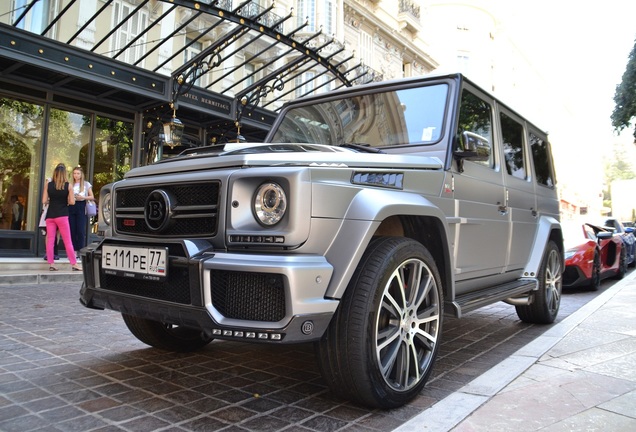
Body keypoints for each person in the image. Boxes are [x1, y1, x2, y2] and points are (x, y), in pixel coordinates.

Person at [42, 163, 81, 272]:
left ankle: (51, 264)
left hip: (50, 215)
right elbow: (72, 202)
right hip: (62, 215)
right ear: (64, 174)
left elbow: (44, 201)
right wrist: (66, 201)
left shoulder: (48, 185)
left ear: (55, 173)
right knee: (68, 241)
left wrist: (52, 201)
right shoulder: (68, 185)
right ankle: (74, 264)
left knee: (50, 240)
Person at [68, 166, 94, 258]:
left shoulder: (86, 184)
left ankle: (81, 250)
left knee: (80, 230)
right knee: (72, 230)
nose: (76, 175)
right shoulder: (70, 184)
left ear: (81, 174)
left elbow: (92, 197)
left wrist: (82, 197)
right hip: (71, 206)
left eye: (78, 173)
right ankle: (74, 251)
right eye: (74, 173)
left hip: (81, 206)